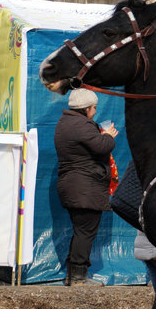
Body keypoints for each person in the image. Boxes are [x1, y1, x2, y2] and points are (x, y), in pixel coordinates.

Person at [53, 88, 118, 285]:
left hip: (73, 186)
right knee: (85, 232)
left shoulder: (65, 123)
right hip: (84, 188)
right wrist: (108, 136)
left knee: (81, 230)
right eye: (94, 108)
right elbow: (102, 147)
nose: (95, 112)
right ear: (86, 108)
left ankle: (73, 276)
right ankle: (78, 278)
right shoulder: (82, 125)